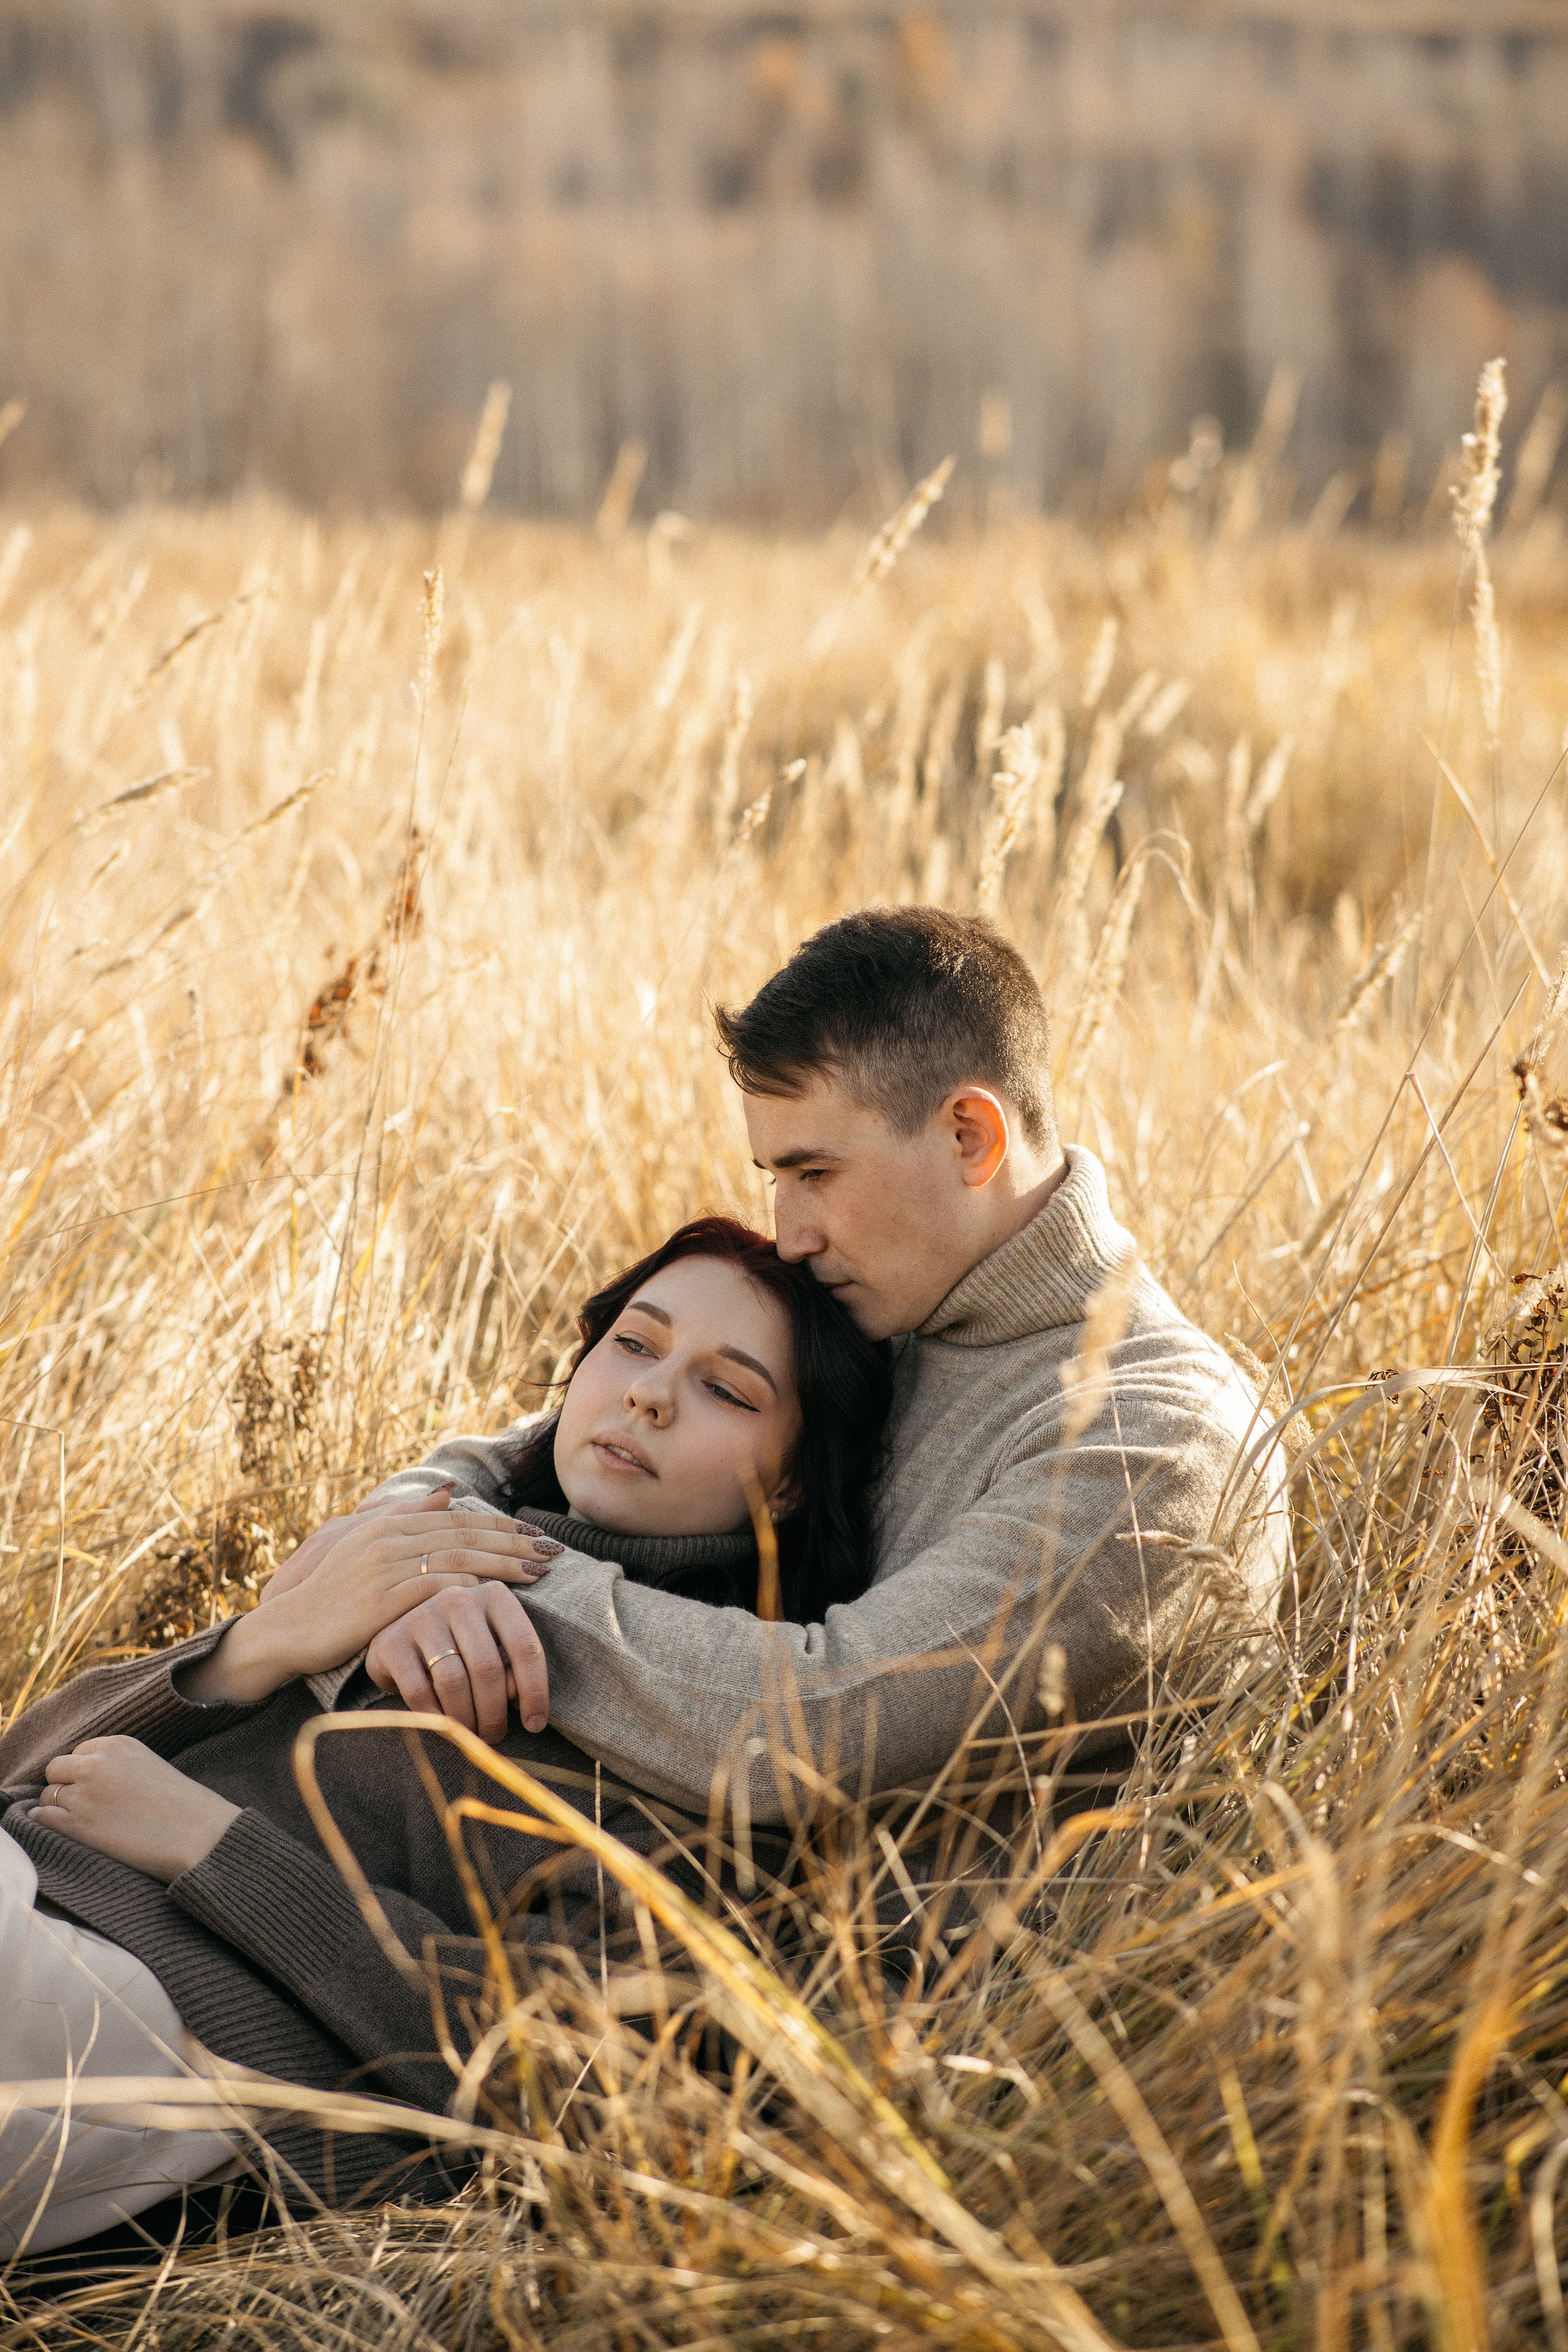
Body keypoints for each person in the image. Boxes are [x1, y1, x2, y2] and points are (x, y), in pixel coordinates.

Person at [0, 1219, 890, 2255]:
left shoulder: (711, 1734)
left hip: (145, 2033)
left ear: (786, 1483)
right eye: (636, 1345)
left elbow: (567, 2085)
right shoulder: (432, 1549)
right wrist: (263, 1644)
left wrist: (215, 1849)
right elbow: (25, 1772)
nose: (650, 1394)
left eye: (726, 1390)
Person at [349, 907, 1287, 1836]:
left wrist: (466, 1582)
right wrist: (404, 1542)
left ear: (970, 1137)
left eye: (816, 1174)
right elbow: (539, 1449)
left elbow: (817, 1730)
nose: (789, 1233)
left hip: (881, 1973)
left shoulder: (1156, 1436)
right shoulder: (892, 1291)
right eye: (774, 1176)